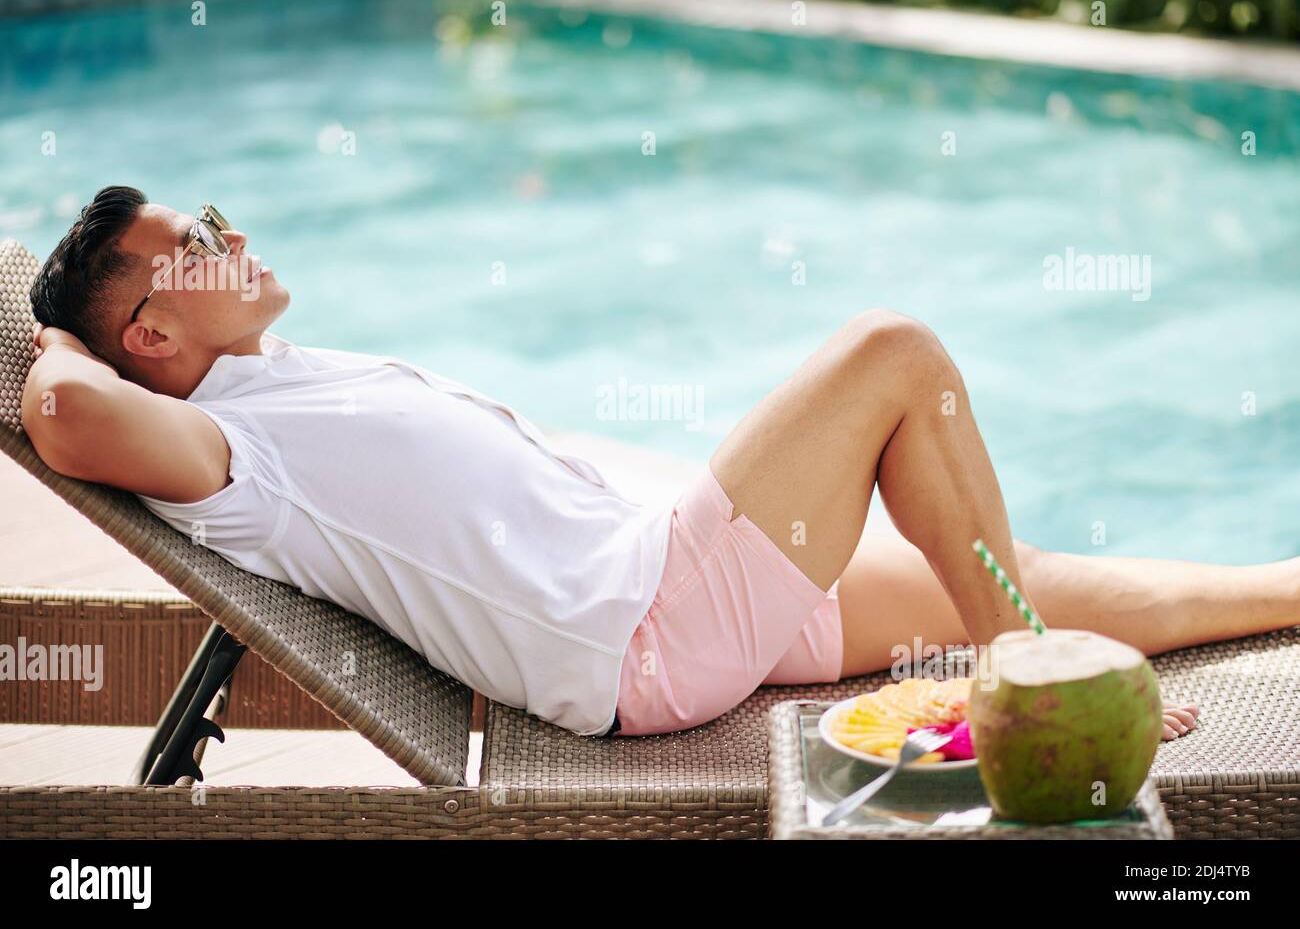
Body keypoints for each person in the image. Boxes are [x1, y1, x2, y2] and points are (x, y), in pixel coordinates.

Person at [28, 186, 1289, 743]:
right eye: (193, 239)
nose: (228, 231)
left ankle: (1281, 586)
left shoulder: (274, 379)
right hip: (650, 627)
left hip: (655, 596)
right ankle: (1021, 680)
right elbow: (69, 415)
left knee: (1002, 565)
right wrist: (48, 331)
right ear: (152, 338)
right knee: (891, 351)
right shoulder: (218, 448)